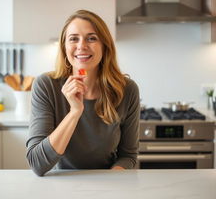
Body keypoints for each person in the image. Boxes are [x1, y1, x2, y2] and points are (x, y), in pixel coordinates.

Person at [26, 10, 140, 176]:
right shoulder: (46, 85)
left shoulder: (127, 89)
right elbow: (37, 164)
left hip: (109, 184)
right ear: (65, 47)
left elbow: (128, 156)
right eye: (73, 39)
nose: (82, 46)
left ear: (105, 46)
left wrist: (111, 181)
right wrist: (74, 112)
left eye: (92, 38)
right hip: (61, 185)